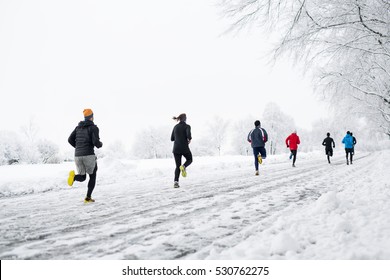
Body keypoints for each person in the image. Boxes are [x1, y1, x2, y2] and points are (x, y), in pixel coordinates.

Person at [67, 109, 103, 203]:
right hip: (89, 155)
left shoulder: (78, 128)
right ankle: (88, 198)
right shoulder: (93, 127)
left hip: (77, 155)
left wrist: (78, 147)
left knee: (82, 177)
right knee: (93, 176)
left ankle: (74, 177)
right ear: (91, 117)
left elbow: (70, 139)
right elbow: (96, 142)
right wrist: (100, 144)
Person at [171, 113, 192, 188]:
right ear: (185, 119)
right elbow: (188, 136)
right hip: (184, 148)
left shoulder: (175, 127)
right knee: (189, 159)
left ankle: (176, 182)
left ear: (179, 119)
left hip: (176, 149)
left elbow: (172, 139)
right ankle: (183, 166)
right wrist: (189, 139)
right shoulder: (187, 126)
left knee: (177, 166)